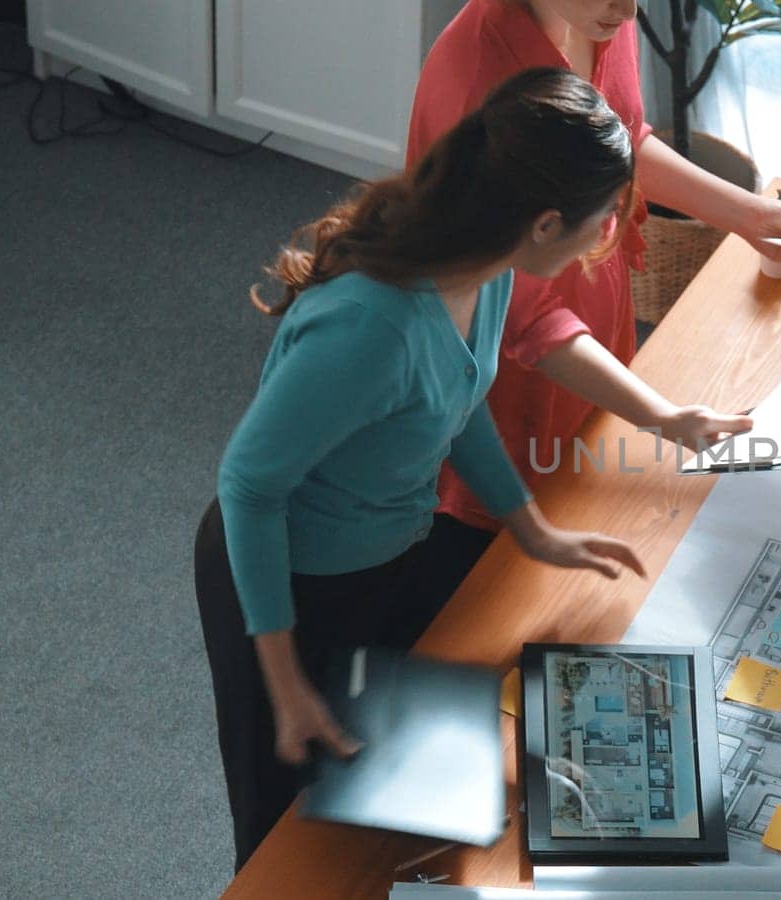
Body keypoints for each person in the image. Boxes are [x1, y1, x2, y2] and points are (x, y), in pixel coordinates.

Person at [193, 69, 650, 871]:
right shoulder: (373, 327)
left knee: (381, 796)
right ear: (548, 222)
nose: (608, 233)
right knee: (283, 838)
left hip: (385, 547)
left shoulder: (493, 268)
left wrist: (530, 527)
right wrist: (286, 680)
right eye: (604, 217)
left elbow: (457, 399)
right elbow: (249, 488)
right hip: (281, 579)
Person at [407, 0, 781, 584]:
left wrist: (749, 215)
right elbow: (525, 319)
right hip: (522, 360)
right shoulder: (477, 77)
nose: (629, 9)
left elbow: (622, 138)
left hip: (589, 310)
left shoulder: (602, 15)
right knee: (508, 566)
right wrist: (659, 417)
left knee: (589, 491)